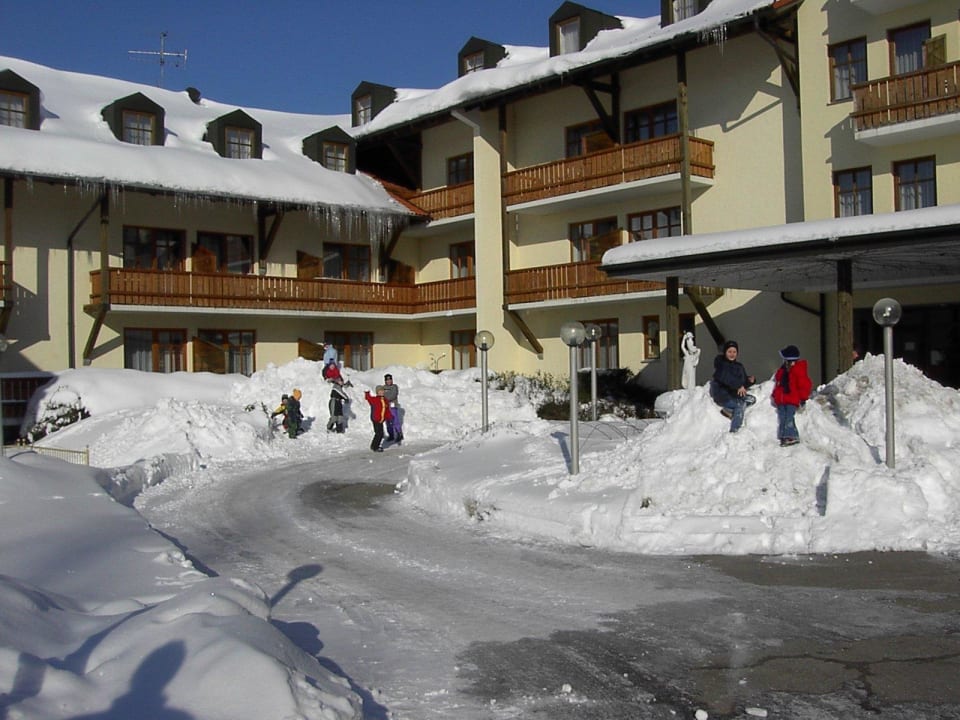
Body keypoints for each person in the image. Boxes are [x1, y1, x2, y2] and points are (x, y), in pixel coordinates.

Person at [710, 340, 756, 433]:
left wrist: (749, 381)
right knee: (740, 405)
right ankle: (735, 430)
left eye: (734, 352)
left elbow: (742, 382)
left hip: (734, 394)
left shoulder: (739, 366)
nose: (732, 354)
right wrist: (738, 386)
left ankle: (728, 411)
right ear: (725, 352)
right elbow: (726, 377)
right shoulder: (721, 364)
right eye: (729, 352)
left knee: (751, 399)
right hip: (723, 395)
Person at [772, 344, 813, 447]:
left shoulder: (798, 371)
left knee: (789, 417)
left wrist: (803, 398)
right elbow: (778, 384)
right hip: (782, 399)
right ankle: (783, 435)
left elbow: (804, 385)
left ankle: (791, 436)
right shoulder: (783, 371)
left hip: (791, 399)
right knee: (782, 416)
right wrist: (774, 395)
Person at [363, 385, 393, 452]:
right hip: (376, 419)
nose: (381, 392)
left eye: (382, 390)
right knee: (379, 433)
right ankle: (375, 447)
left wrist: (390, 417)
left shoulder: (385, 400)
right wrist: (367, 393)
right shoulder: (375, 399)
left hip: (381, 420)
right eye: (380, 391)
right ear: (377, 392)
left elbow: (387, 410)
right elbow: (368, 398)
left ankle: (374, 446)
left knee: (380, 433)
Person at [381, 373, 403, 444]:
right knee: (388, 422)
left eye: (390, 380)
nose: (389, 381)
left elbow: (393, 395)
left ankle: (399, 434)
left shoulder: (394, 387)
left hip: (393, 406)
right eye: (387, 380)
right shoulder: (383, 388)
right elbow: (381, 395)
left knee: (395, 421)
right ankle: (391, 435)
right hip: (386, 407)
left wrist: (385, 398)